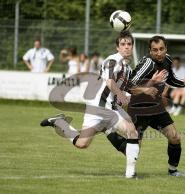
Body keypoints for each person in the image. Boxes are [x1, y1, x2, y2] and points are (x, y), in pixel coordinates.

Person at [40, 31, 166, 179]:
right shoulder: (112, 61)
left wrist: (151, 83)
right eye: (123, 44)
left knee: (133, 133)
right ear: (117, 48)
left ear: (132, 47)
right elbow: (110, 82)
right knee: (82, 144)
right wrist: (120, 95)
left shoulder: (127, 68)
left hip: (111, 108)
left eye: (129, 44)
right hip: (97, 107)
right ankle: (60, 123)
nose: (126, 47)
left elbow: (131, 88)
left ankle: (130, 174)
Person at [106, 35, 185, 176]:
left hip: (156, 108)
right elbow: (129, 86)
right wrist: (151, 82)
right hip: (139, 109)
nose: (159, 53)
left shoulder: (167, 59)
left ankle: (173, 171)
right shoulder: (147, 64)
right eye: (155, 50)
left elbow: (171, 79)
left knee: (175, 138)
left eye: (161, 49)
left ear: (166, 48)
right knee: (135, 147)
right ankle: (110, 133)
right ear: (150, 51)